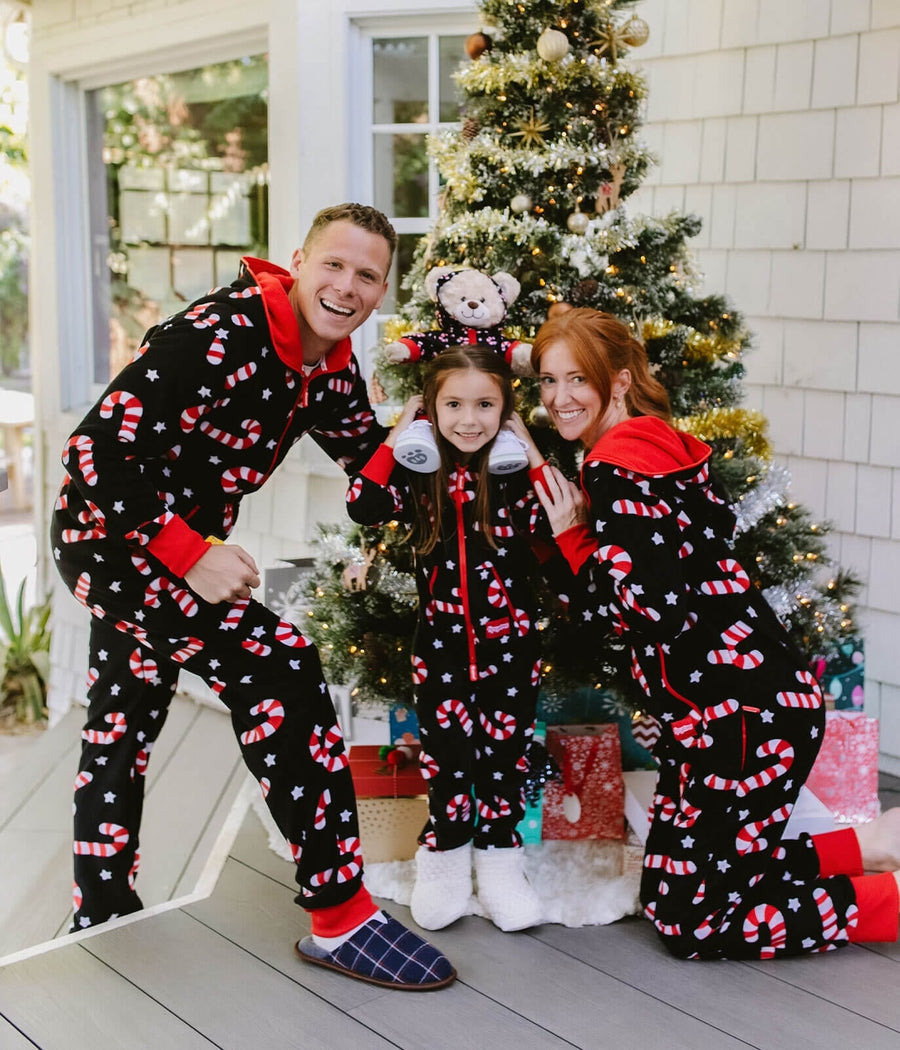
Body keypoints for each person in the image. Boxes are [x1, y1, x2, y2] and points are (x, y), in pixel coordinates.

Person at [51, 202, 456, 991]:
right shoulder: (218, 335)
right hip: (111, 538)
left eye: (367, 275)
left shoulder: (326, 370)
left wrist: (420, 443)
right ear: (299, 260)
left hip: (167, 552)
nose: (346, 285)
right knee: (280, 668)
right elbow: (92, 451)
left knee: (122, 719)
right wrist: (186, 552)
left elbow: (367, 474)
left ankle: (99, 911)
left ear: (380, 293)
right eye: (333, 265)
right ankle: (341, 918)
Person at [529, 306, 900, 959]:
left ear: (616, 381)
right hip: (737, 706)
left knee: (692, 922)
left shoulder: (614, 470)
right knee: (671, 892)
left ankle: (886, 902)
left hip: (740, 716)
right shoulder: (653, 444)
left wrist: (573, 541)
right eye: (546, 381)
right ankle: (868, 846)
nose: (559, 399)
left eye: (576, 380)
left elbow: (648, 611)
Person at [346, 346, 552, 932]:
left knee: (504, 756)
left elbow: (558, 521)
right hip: (437, 645)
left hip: (511, 647)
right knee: (448, 758)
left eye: (486, 405)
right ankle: (444, 859)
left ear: (506, 409)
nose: (469, 419)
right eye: (453, 404)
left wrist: (527, 448)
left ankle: (500, 861)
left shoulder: (512, 477)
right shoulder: (419, 472)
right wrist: (398, 437)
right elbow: (362, 504)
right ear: (431, 409)